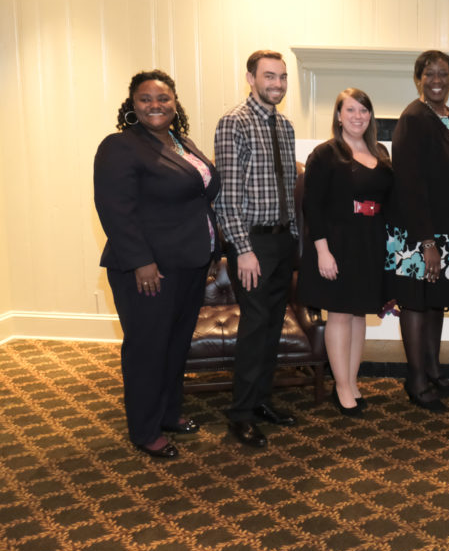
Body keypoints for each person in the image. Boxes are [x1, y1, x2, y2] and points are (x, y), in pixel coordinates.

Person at [94, 70, 220, 459]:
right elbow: (115, 210)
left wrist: (209, 253)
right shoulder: (120, 146)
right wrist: (141, 262)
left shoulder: (181, 142)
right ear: (132, 104)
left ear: (174, 101)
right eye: (146, 98)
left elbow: (198, 199)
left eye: (163, 98)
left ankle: (168, 413)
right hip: (149, 271)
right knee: (148, 349)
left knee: (175, 345)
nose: (155, 105)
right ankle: (145, 429)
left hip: (188, 263)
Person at [386, 50, 449, 411]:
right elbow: (410, 184)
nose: (437, 80)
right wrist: (427, 242)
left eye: (444, 74)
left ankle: (432, 369)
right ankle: (415, 380)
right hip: (421, 233)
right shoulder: (414, 118)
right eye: (429, 74)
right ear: (418, 79)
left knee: (435, 302)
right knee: (415, 302)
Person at [214, 50, 299, 447]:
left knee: (271, 326)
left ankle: (262, 401)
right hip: (254, 244)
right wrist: (242, 249)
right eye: (269, 76)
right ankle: (240, 415)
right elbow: (227, 197)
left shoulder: (286, 127)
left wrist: (294, 238)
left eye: (282, 77)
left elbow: (288, 189)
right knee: (254, 327)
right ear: (250, 78)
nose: (277, 84)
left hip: (282, 241)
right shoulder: (234, 123)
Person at [297, 88, 393, 417]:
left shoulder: (379, 151)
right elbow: (313, 206)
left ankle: (351, 381)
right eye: (350, 110)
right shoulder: (325, 154)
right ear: (338, 116)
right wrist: (322, 251)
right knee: (339, 313)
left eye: (363, 110)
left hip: (370, 240)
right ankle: (341, 388)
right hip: (336, 242)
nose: (357, 116)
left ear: (370, 116)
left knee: (358, 313)